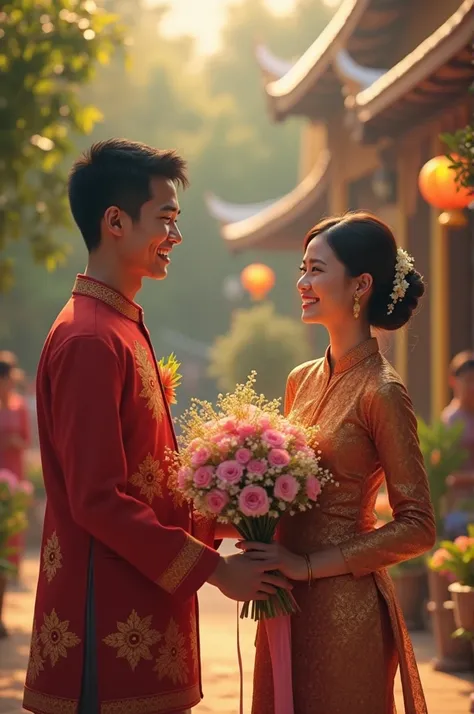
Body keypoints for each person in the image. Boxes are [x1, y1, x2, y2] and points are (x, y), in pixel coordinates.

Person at [23, 139, 289, 714]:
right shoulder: (92, 338)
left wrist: (249, 512)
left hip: (141, 613)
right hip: (109, 626)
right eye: (165, 219)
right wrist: (215, 570)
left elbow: (150, 481)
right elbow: (98, 500)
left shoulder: (118, 326)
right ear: (115, 221)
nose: (176, 236)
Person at [239, 211, 436, 714]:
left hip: (346, 611)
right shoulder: (299, 379)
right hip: (283, 598)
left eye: (316, 270)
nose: (302, 283)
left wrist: (306, 566)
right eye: (302, 269)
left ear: (361, 284)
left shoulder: (383, 391)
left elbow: (417, 526)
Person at [0, 352, 31, 584]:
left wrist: (14, 442)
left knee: (14, 520)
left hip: (14, 469)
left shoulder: (19, 406)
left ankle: (13, 571)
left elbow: (26, 440)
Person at [441, 351, 474, 527]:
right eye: (468, 380)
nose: (472, 387)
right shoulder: (450, 420)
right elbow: (446, 473)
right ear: (454, 381)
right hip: (459, 507)